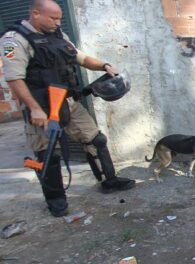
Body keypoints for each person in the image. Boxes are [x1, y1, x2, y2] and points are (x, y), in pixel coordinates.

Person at [1, 0, 135, 217]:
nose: (58, 22)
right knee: (47, 156)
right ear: (35, 14)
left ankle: (108, 181)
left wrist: (104, 65)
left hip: (67, 102)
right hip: (40, 108)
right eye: (53, 18)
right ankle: (56, 201)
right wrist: (34, 109)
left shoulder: (58, 35)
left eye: (60, 18)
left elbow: (80, 58)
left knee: (96, 140)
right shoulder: (14, 40)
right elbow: (14, 78)